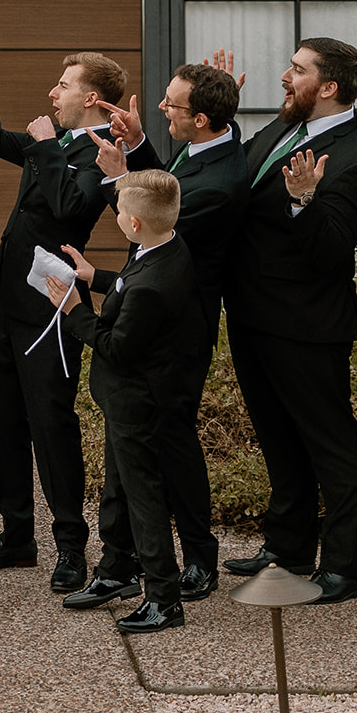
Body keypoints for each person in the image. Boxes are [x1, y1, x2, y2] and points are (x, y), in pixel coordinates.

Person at [0, 31, 128, 594]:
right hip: (7, 296)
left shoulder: (103, 153)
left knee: (50, 423)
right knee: (2, 419)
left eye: (64, 84)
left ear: (94, 99)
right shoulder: (51, 141)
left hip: (53, 305)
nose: (54, 92)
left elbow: (70, 206)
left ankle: (71, 546)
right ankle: (16, 535)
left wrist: (49, 145)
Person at [73, 62, 248, 604]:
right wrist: (141, 149)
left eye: (170, 106)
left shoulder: (220, 184)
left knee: (170, 449)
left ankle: (197, 558)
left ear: (200, 118)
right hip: (148, 311)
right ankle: (121, 561)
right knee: (134, 449)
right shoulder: (201, 150)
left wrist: (114, 178)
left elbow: (153, 220)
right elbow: (163, 192)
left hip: (175, 335)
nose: (159, 109)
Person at [220, 37, 357, 605]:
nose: (285, 76)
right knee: (278, 439)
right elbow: (236, 185)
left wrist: (304, 203)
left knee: (332, 445)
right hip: (251, 314)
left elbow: (332, 250)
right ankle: (288, 548)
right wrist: (218, 116)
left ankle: (344, 569)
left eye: (297, 69)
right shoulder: (281, 129)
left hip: (307, 326)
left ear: (329, 86)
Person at [49, 170, 210, 634]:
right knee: (117, 489)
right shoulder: (165, 247)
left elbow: (117, 345)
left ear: (135, 223)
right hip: (130, 398)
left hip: (138, 401)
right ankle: (117, 570)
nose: (116, 215)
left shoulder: (153, 284)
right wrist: (92, 275)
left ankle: (164, 597)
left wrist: (74, 309)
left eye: (119, 210)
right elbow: (127, 284)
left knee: (142, 499)